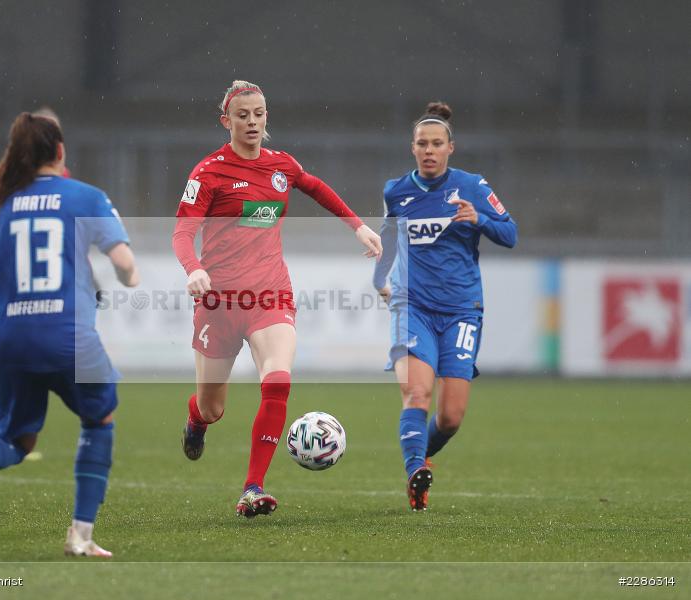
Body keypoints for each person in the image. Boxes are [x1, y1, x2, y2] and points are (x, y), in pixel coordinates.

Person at [0, 112, 139, 558]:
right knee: (99, 420)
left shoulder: (1, 206)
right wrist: (127, 272)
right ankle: (80, 535)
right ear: (60, 152)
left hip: (11, 340)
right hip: (69, 338)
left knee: (16, 438)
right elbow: (124, 264)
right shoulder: (86, 197)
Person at [172, 80, 382, 518]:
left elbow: (317, 187)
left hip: (270, 293)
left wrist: (357, 226)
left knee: (278, 380)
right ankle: (196, 420)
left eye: (259, 113)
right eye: (243, 115)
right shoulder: (207, 172)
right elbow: (183, 231)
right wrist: (194, 268)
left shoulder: (280, 165)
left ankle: (253, 488)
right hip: (219, 302)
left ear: (267, 117)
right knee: (213, 408)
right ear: (225, 120)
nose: (252, 122)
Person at [372, 101, 518, 511]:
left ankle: (422, 455)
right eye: (423, 144)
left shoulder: (472, 186)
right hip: (413, 307)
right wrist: (380, 280)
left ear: (451, 147)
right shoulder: (396, 191)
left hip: (461, 310)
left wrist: (480, 221)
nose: (430, 150)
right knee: (416, 392)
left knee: (451, 416)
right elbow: (388, 238)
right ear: (412, 148)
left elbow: (511, 234)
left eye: (437, 143)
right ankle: (415, 470)